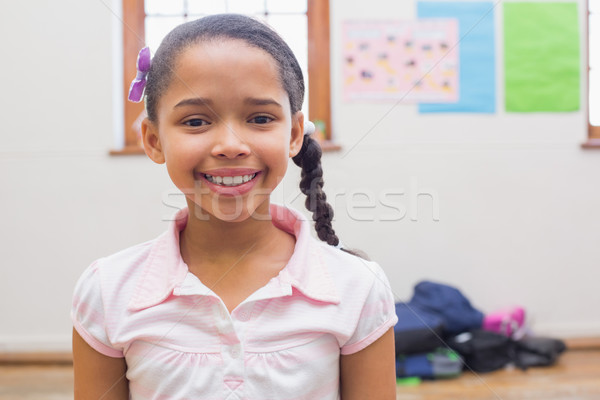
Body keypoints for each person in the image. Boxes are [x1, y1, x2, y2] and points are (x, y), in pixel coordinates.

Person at [72, 14, 397, 399]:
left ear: (293, 134)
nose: (230, 145)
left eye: (260, 118)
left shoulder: (358, 287)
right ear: (154, 139)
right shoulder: (107, 290)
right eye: (195, 121)